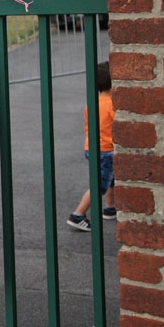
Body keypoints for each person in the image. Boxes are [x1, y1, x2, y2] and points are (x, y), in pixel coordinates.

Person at [67, 61, 116, 231]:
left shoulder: (93, 102)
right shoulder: (111, 105)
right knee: (100, 185)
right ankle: (78, 215)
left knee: (110, 178)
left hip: (93, 147)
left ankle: (110, 208)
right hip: (106, 150)